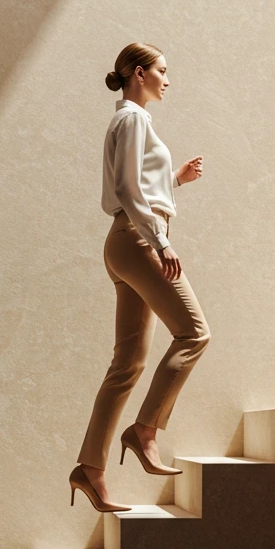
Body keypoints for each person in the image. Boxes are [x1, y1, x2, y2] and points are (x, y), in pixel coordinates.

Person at [69, 42, 211, 512]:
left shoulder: (129, 121)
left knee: (127, 364)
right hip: (138, 238)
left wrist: (175, 180)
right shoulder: (133, 118)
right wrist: (161, 240)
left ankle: (90, 469)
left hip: (124, 240)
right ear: (137, 72)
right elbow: (128, 190)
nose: (167, 80)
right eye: (162, 71)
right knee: (194, 333)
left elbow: (133, 184)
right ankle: (145, 429)